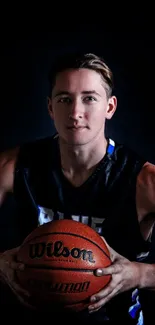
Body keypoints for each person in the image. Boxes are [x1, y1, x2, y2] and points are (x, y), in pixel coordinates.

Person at [0, 51, 155, 324]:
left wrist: (139, 274)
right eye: (64, 99)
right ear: (50, 107)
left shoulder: (144, 180)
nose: (75, 113)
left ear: (110, 107)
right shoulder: (13, 166)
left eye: (89, 98)